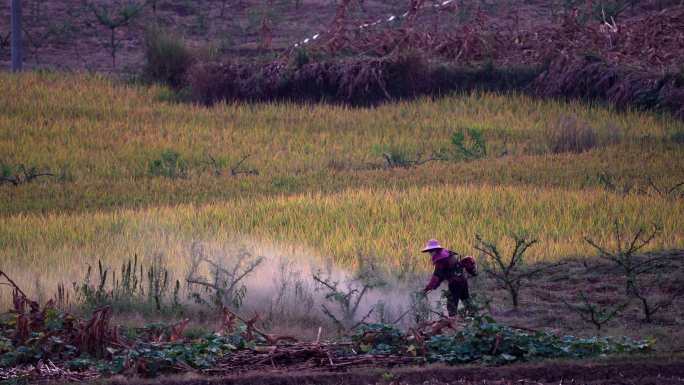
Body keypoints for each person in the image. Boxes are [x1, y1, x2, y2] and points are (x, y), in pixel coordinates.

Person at [421, 239, 478, 316]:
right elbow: (441, 276)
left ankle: (453, 323)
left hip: (455, 284)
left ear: (436, 249)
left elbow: (436, 276)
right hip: (462, 280)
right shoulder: (447, 254)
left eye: (431, 251)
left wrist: (427, 289)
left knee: (451, 306)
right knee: (466, 301)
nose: (430, 253)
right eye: (429, 251)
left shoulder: (440, 261)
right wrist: (434, 286)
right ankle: (474, 319)